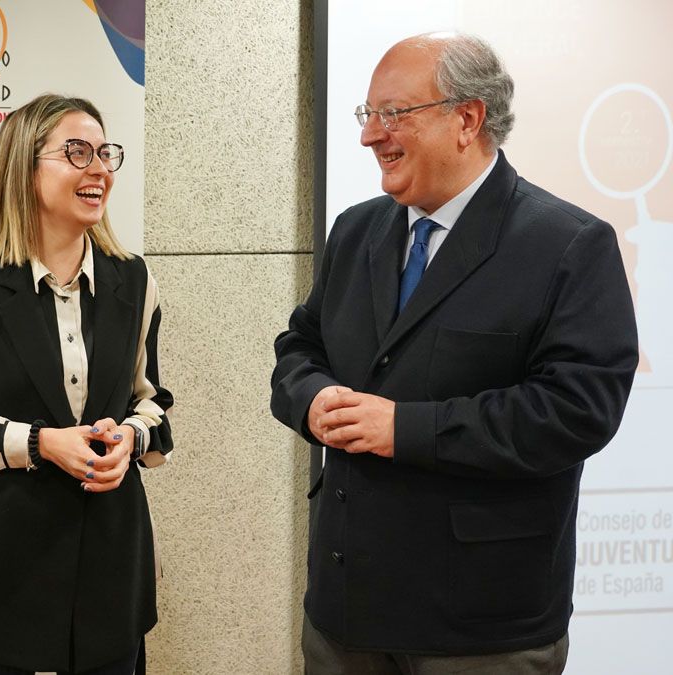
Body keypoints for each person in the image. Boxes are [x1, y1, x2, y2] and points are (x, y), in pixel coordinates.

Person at [270, 33, 638, 673]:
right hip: (344, 614)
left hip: (482, 628)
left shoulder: (569, 244)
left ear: (467, 119)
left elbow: (577, 412)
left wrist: (402, 429)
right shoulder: (356, 230)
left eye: (393, 114)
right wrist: (312, 399)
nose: (369, 137)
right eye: (367, 115)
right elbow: (301, 345)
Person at [0, 94, 173, 675]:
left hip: (110, 576)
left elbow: (153, 404)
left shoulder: (133, 279)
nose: (98, 168)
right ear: (22, 169)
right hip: (5, 579)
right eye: (76, 152)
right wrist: (39, 443)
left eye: (105, 153)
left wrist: (131, 437)